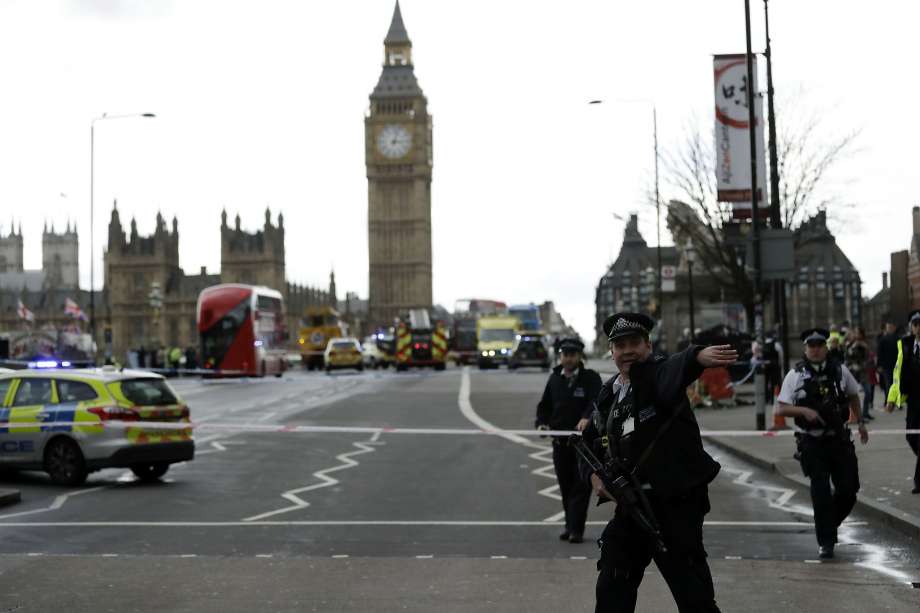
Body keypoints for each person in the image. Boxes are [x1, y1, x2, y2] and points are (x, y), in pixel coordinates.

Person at [582, 312, 736, 612]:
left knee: (695, 597)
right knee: (613, 583)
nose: (628, 351)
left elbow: (674, 368)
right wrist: (594, 478)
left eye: (635, 343)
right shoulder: (608, 394)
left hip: (675, 507)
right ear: (611, 351)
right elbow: (588, 445)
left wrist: (697, 356)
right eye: (620, 345)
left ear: (648, 346)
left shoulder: (656, 376)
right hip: (632, 506)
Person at [775, 328, 869, 559]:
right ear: (805, 348)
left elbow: (853, 395)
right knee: (821, 492)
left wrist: (861, 422)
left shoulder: (839, 370)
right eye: (811, 345)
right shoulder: (795, 375)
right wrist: (804, 410)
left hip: (839, 439)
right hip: (812, 442)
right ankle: (826, 541)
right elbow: (781, 408)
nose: (816, 349)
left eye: (820, 345)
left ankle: (829, 524)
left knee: (849, 490)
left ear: (826, 347)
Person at [535, 337, 602, 544]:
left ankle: (577, 530)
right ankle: (569, 525)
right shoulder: (555, 378)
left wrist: (586, 417)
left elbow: (597, 401)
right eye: (565, 355)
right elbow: (545, 405)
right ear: (560, 356)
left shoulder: (590, 378)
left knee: (581, 487)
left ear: (579, 356)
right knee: (565, 486)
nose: (569, 359)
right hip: (560, 442)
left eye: (573, 355)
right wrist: (541, 423)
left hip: (583, 444)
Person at [886, 309, 920, 495]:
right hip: (913, 399)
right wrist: (892, 399)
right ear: (911, 327)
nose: (918, 328)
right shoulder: (905, 345)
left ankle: (918, 481)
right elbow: (897, 374)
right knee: (910, 437)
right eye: (915, 324)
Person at [845, 326, 873, 420]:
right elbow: (848, 356)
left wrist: (864, 347)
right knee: (853, 394)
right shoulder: (850, 344)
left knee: (868, 392)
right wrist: (853, 346)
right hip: (853, 372)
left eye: (858, 333)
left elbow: (868, 357)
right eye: (855, 333)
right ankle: (854, 415)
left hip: (863, 372)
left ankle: (865, 413)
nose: (856, 335)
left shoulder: (864, 343)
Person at [878, 320, 900, 404]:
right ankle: (889, 401)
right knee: (889, 383)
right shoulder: (883, 340)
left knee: (895, 383)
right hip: (886, 366)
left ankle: (894, 401)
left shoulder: (898, 338)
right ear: (886, 329)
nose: (890, 329)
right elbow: (880, 353)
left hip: (896, 365)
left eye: (891, 327)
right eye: (888, 327)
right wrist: (879, 365)